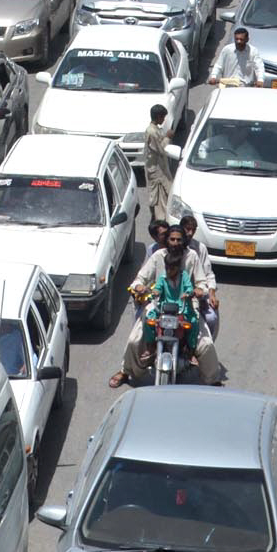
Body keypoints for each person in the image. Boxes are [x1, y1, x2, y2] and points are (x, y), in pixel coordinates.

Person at [110, 230, 223, 387]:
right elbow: (140, 278)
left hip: (186, 306)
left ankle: (212, 379)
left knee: (205, 344)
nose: (175, 243)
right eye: (172, 239)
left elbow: (202, 282)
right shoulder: (158, 256)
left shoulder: (192, 257)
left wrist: (199, 291)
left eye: (179, 240)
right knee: (134, 340)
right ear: (167, 240)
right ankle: (126, 371)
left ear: (184, 241)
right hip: (159, 304)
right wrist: (140, 286)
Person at [142, 104, 173, 219]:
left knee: (164, 195)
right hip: (156, 170)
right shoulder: (152, 132)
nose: (164, 120)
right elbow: (161, 149)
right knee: (158, 197)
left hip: (161, 168)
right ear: (158, 116)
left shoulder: (156, 130)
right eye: (163, 117)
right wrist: (168, 137)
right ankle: (158, 219)